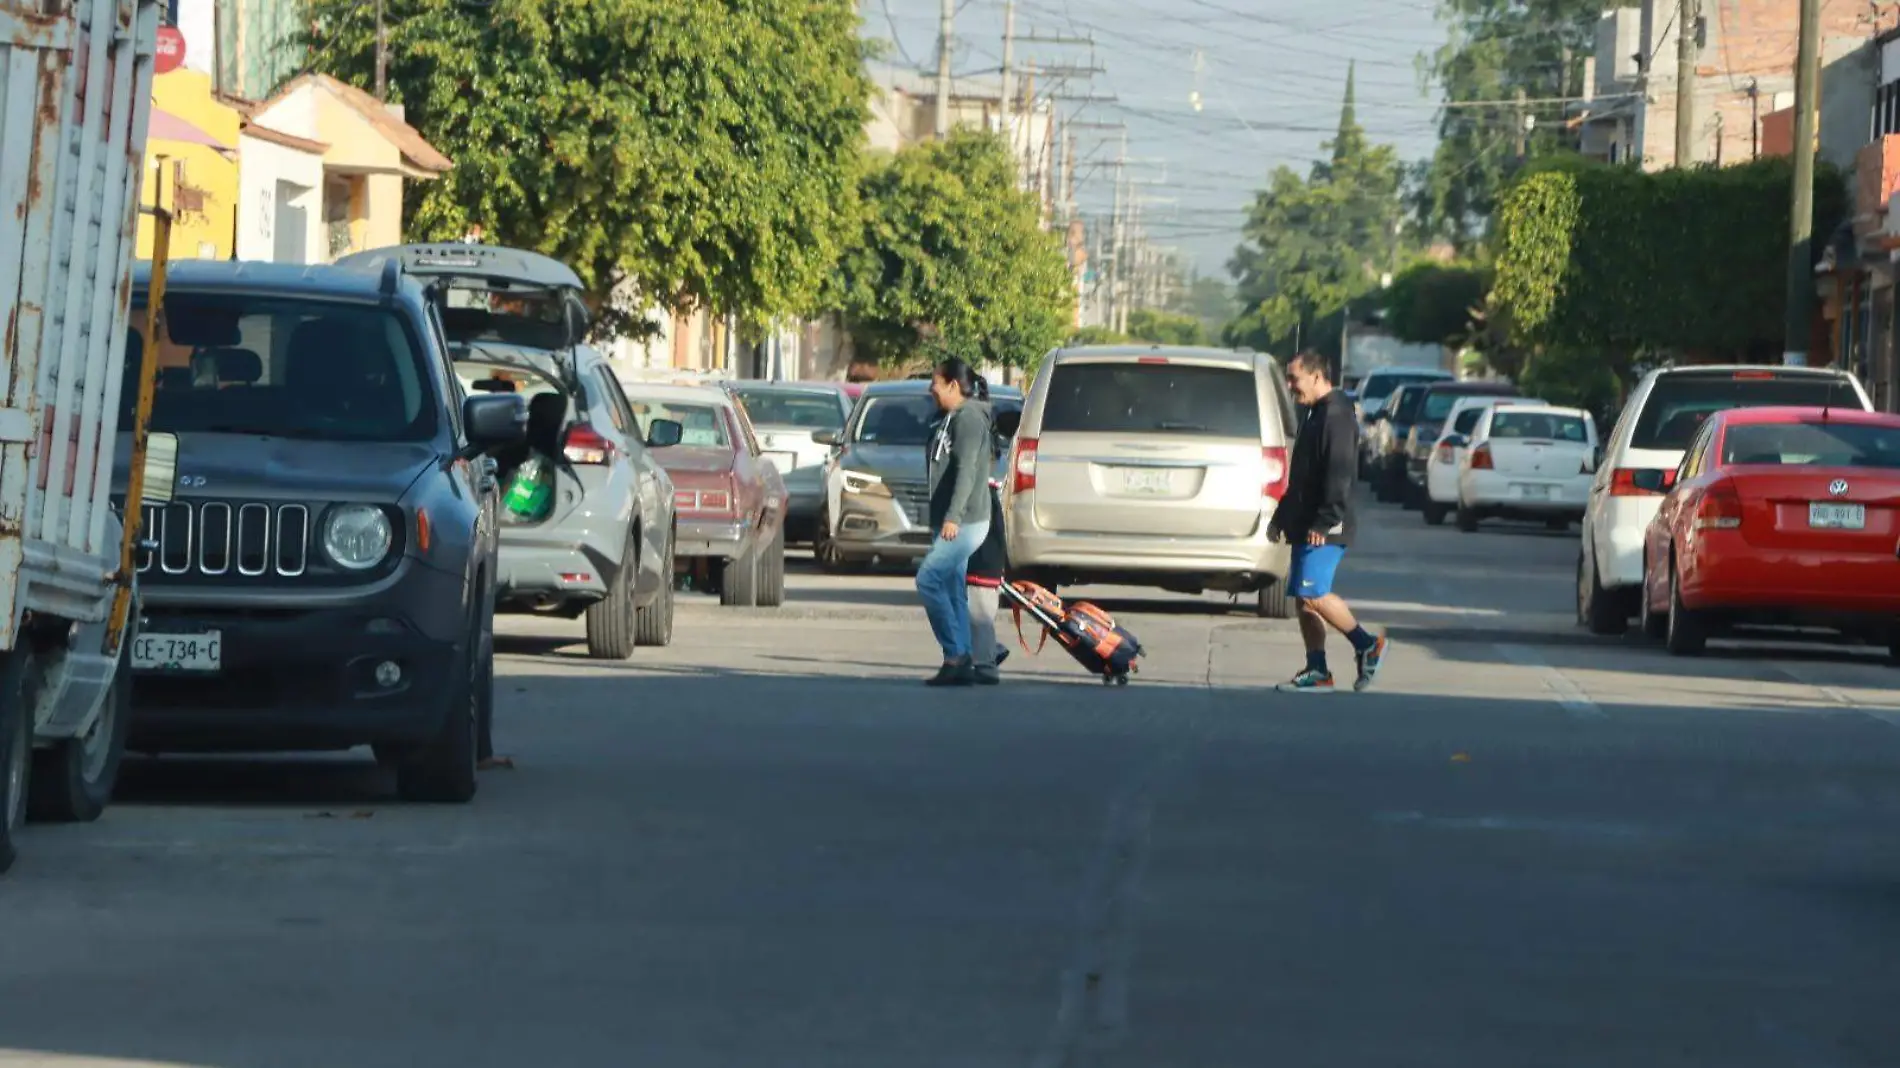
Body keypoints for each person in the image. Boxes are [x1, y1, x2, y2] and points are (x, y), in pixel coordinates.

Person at [1270, 351, 1388, 693]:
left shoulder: (1336, 416)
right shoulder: (1314, 413)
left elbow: (1339, 477)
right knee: (1302, 597)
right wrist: (1281, 516)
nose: (1291, 386)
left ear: (1318, 376)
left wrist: (1324, 522)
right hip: (1306, 521)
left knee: (1314, 593)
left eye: (1295, 379)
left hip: (1326, 524)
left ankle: (1367, 645)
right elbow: (1303, 476)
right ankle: (1318, 669)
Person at [916, 357, 994, 686]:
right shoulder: (950, 418)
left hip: (965, 522)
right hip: (953, 521)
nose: (930, 388)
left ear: (952, 385)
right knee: (951, 590)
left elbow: (968, 473)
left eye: (935, 382)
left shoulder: (969, 419)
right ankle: (961, 659)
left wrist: (953, 517)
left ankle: (956, 653)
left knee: (928, 580)